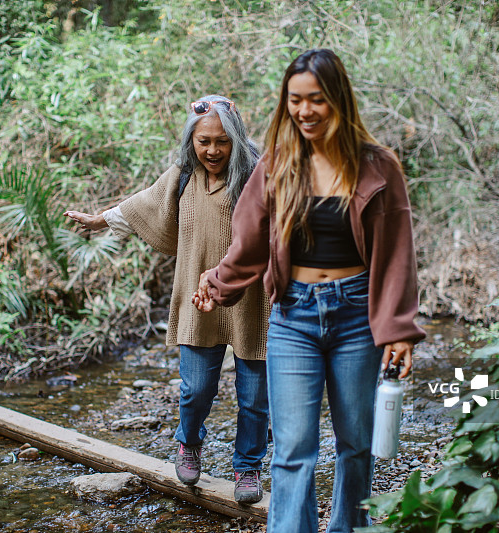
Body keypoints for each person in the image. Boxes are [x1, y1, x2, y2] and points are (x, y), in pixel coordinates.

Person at [193, 50, 426, 532]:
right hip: (293, 317)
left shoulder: (378, 167)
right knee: (294, 450)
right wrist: (217, 285)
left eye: (316, 100)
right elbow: (250, 240)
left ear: (338, 100)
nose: (305, 111)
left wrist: (398, 329)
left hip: (357, 316)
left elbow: (398, 253)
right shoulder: (278, 165)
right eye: (295, 101)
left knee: (356, 444)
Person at [63, 95, 270, 504]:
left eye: (222, 142)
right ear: (191, 140)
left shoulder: (257, 176)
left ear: (237, 140)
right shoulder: (182, 177)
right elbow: (144, 204)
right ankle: (188, 443)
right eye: (204, 141)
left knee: (255, 399)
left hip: (253, 302)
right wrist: (100, 219)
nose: (213, 150)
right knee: (195, 390)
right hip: (198, 301)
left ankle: (247, 467)